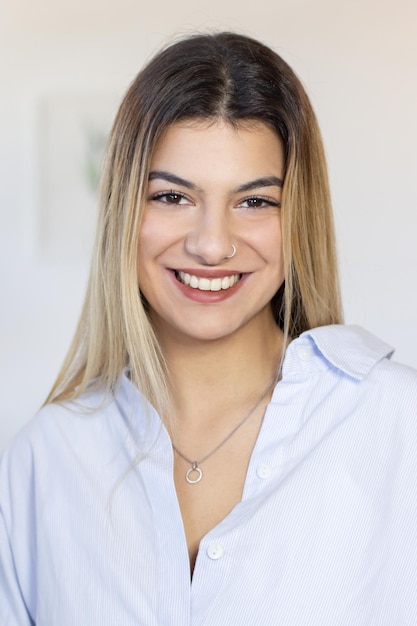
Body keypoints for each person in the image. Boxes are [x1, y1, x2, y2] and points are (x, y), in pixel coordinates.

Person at [1, 31, 416, 626]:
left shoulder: (398, 428)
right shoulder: (46, 460)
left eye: (255, 202)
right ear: (125, 211)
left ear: (298, 215)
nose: (212, 244)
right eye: (172, 196)